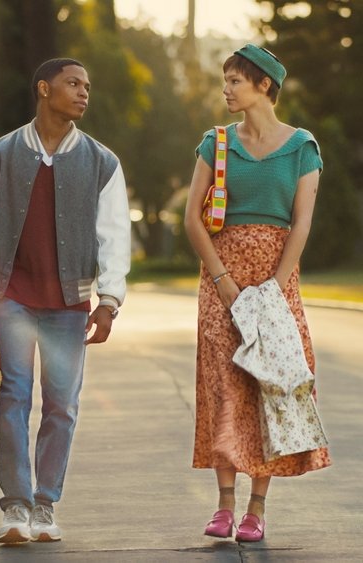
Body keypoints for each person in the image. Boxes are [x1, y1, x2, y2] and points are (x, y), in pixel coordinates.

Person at [0, 58, 131, 544]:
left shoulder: (102, 162)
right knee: (12, 396)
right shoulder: (0, 155)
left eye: (88, 86)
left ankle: (45, 505)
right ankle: (15, 506)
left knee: (62, 406)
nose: (83, 93)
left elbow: (115, 235)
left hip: (70, 304)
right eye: (74, 84)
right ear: (44, 89)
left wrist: (110, 300)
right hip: (13, 296)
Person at [183, 44, 331, 544]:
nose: (225, 90)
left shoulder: (302, 147)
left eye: (234, 82)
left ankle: (256, 508)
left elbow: (302, 221)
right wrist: (223, 280)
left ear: (264, 85)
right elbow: (191, 218)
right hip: (221, 280)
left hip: (274, 282)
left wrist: (276, 286)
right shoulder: (216, 143)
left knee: (268, 388)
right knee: (223, 387)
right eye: (224, 81)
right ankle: (223, 505)